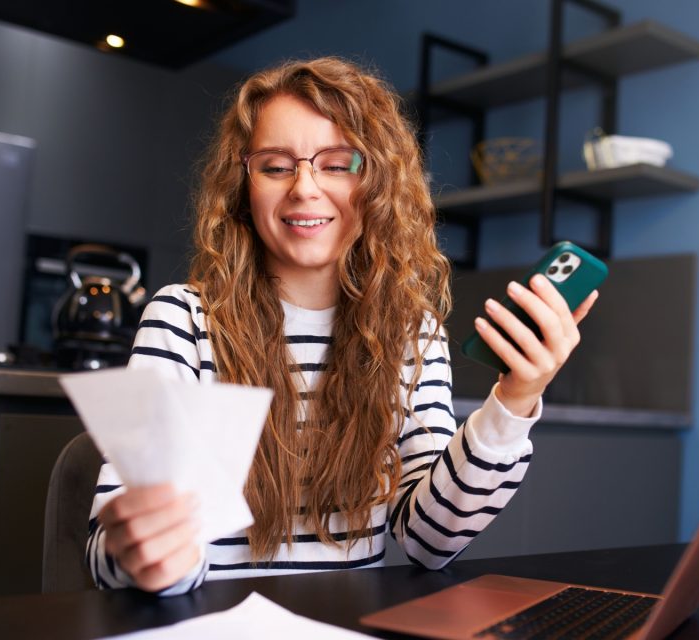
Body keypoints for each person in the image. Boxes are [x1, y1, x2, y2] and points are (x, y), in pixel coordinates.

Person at [87, 57, 598, 595]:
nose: (304, 188)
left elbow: (430, 540)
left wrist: (515, 400)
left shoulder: (411, 335)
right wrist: (151, 556)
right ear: (244, 184)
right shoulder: (183, 320)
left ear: (376, 180)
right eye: (276, 165)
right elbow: (106, 555)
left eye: (336, 163)